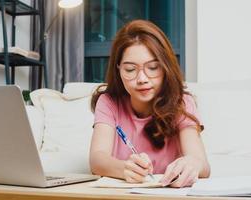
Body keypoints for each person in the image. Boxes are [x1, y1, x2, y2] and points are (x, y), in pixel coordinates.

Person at [89, 19, 210, 188]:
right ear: (118, 69)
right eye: (130, 69)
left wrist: (192, 164)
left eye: (153, 68)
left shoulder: (182, 102)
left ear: (165, 67)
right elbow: (97, 160)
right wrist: (124, 168)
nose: (142, 79)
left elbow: (202, 165)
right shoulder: (109, 102)